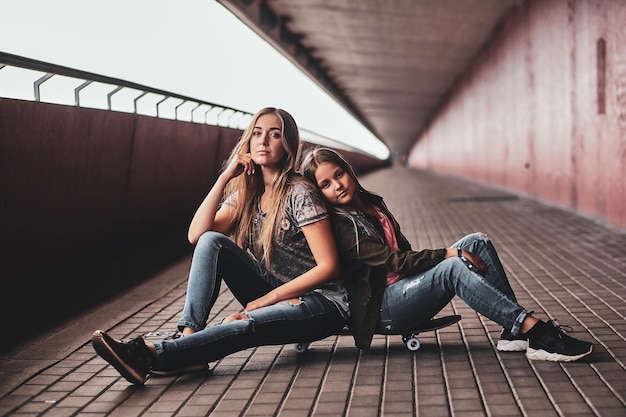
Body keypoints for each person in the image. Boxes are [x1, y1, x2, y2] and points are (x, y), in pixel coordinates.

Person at [92, 108, 349, 385]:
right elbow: (196, 235)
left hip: (322, 301)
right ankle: (188, 340)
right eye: (257, 134)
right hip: (278, 290)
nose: (263, 141)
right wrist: (225, 177)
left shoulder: (300, 192)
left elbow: (329, 267)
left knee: (244, 323)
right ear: (248, 142)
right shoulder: (247, 196)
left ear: (287, 146)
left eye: (275, 135)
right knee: (212, 241)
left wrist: (263, 302)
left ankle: (152, 356)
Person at [299, 146, 593, 362]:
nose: (337, 185)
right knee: (452, 267)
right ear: (319, 193)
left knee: (477, 242)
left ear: (349, 170)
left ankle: (512, 332)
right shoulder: (342, 225)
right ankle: (534, 331)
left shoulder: (371, 203)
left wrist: (451, 255)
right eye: (326, 184)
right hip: (384, 309)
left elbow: (404, 254)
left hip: (404, 289)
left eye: (339, 174)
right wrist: (448, 254)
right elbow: (394, 261)